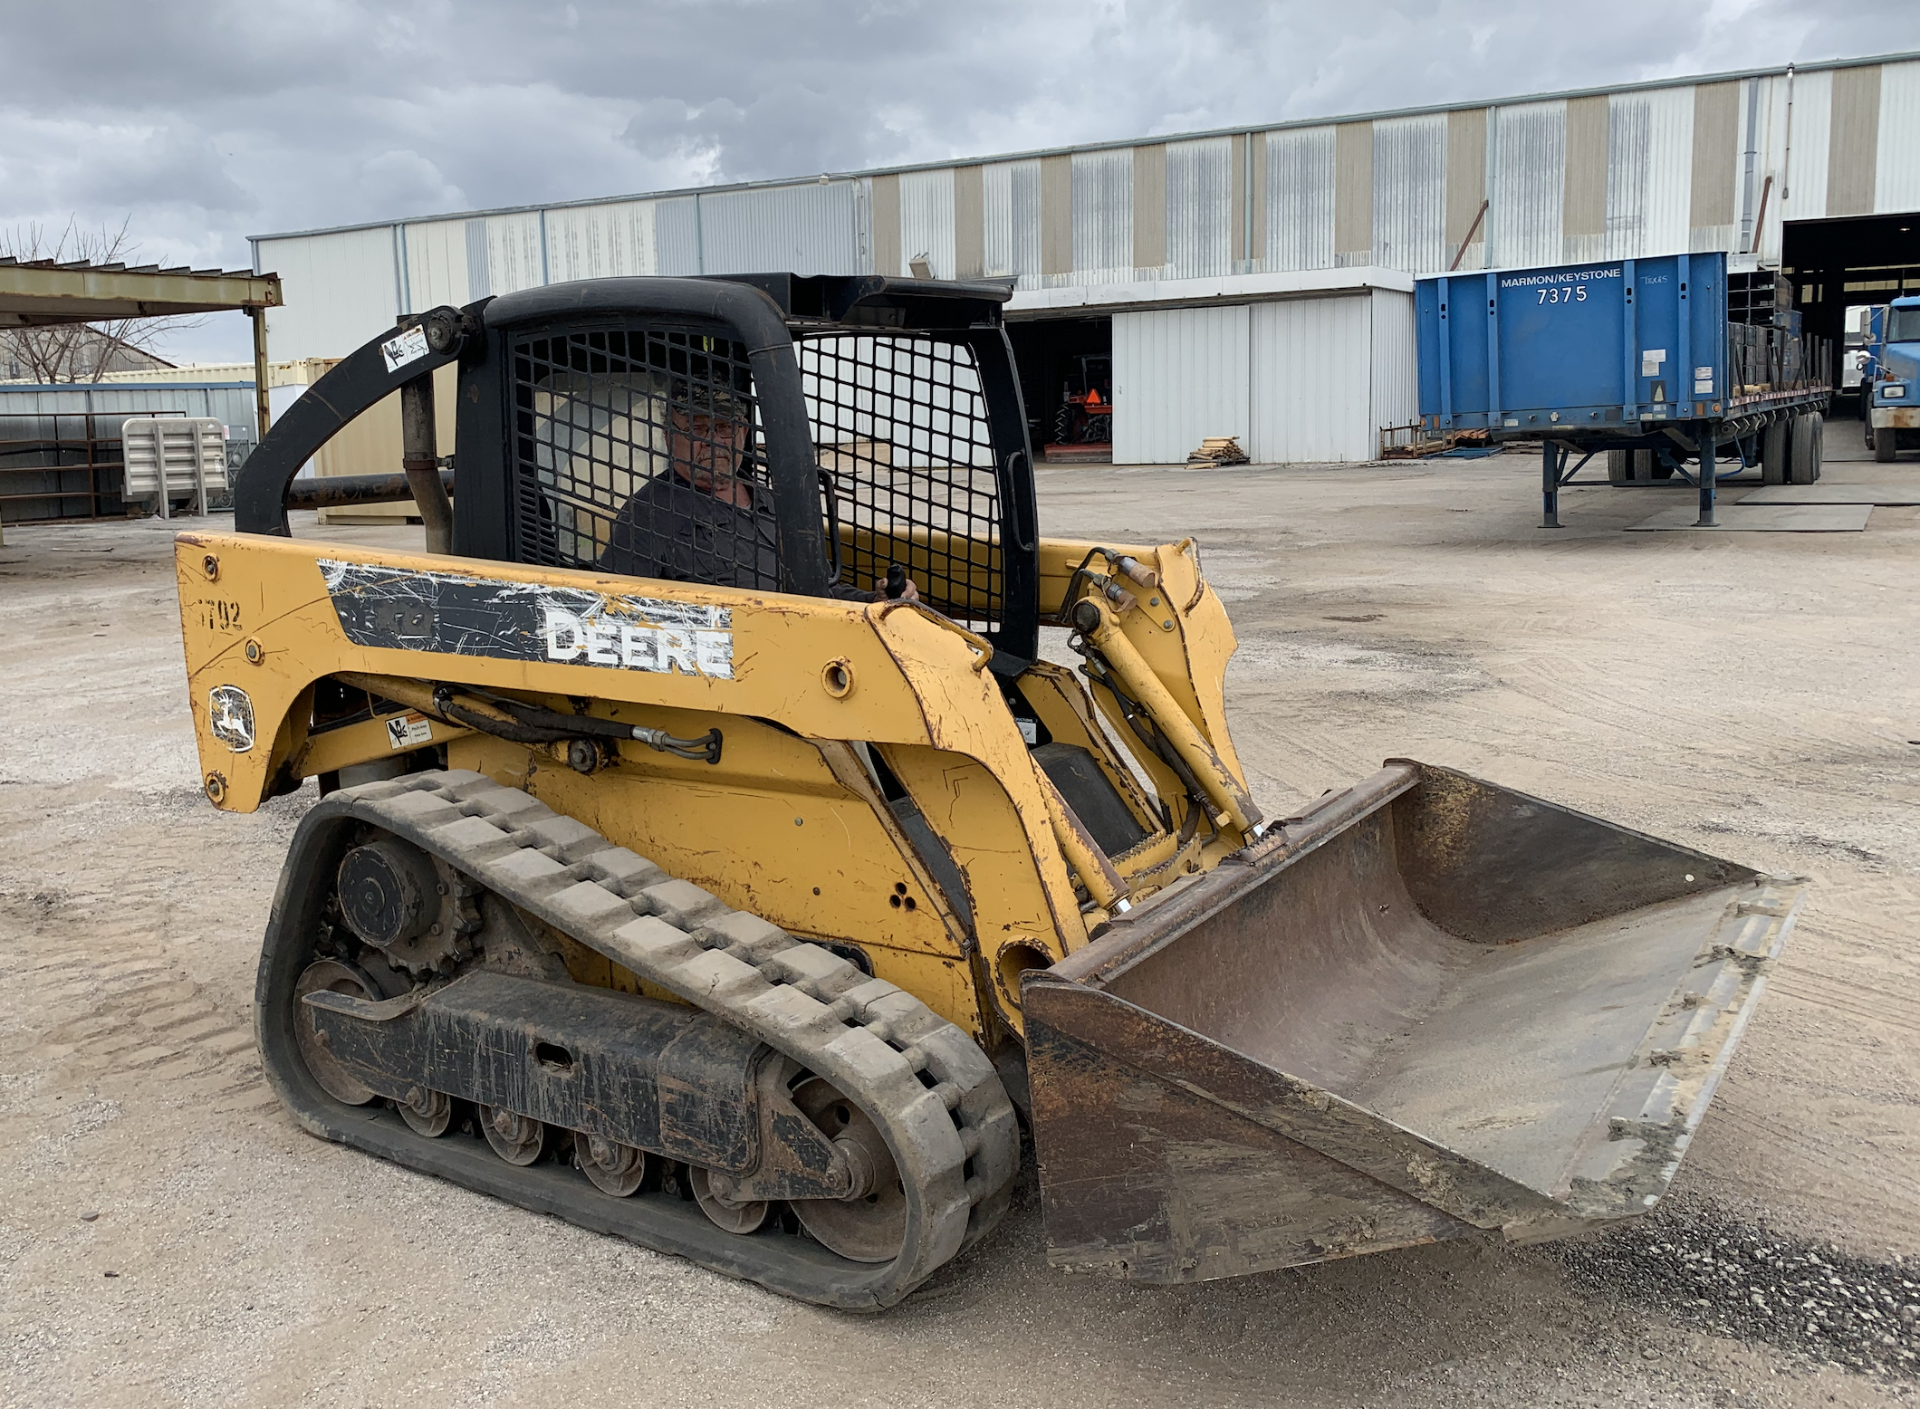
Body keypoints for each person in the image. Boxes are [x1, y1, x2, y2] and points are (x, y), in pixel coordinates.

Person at [598, 378, 916, 602]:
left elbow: (816, 591)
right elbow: (620, 613)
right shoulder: (648, 516)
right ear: (669, 437)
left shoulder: (773, 503)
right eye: (697, 429)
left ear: (743, 432)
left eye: (724, 427)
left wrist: (872, 601)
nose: (713, 440)